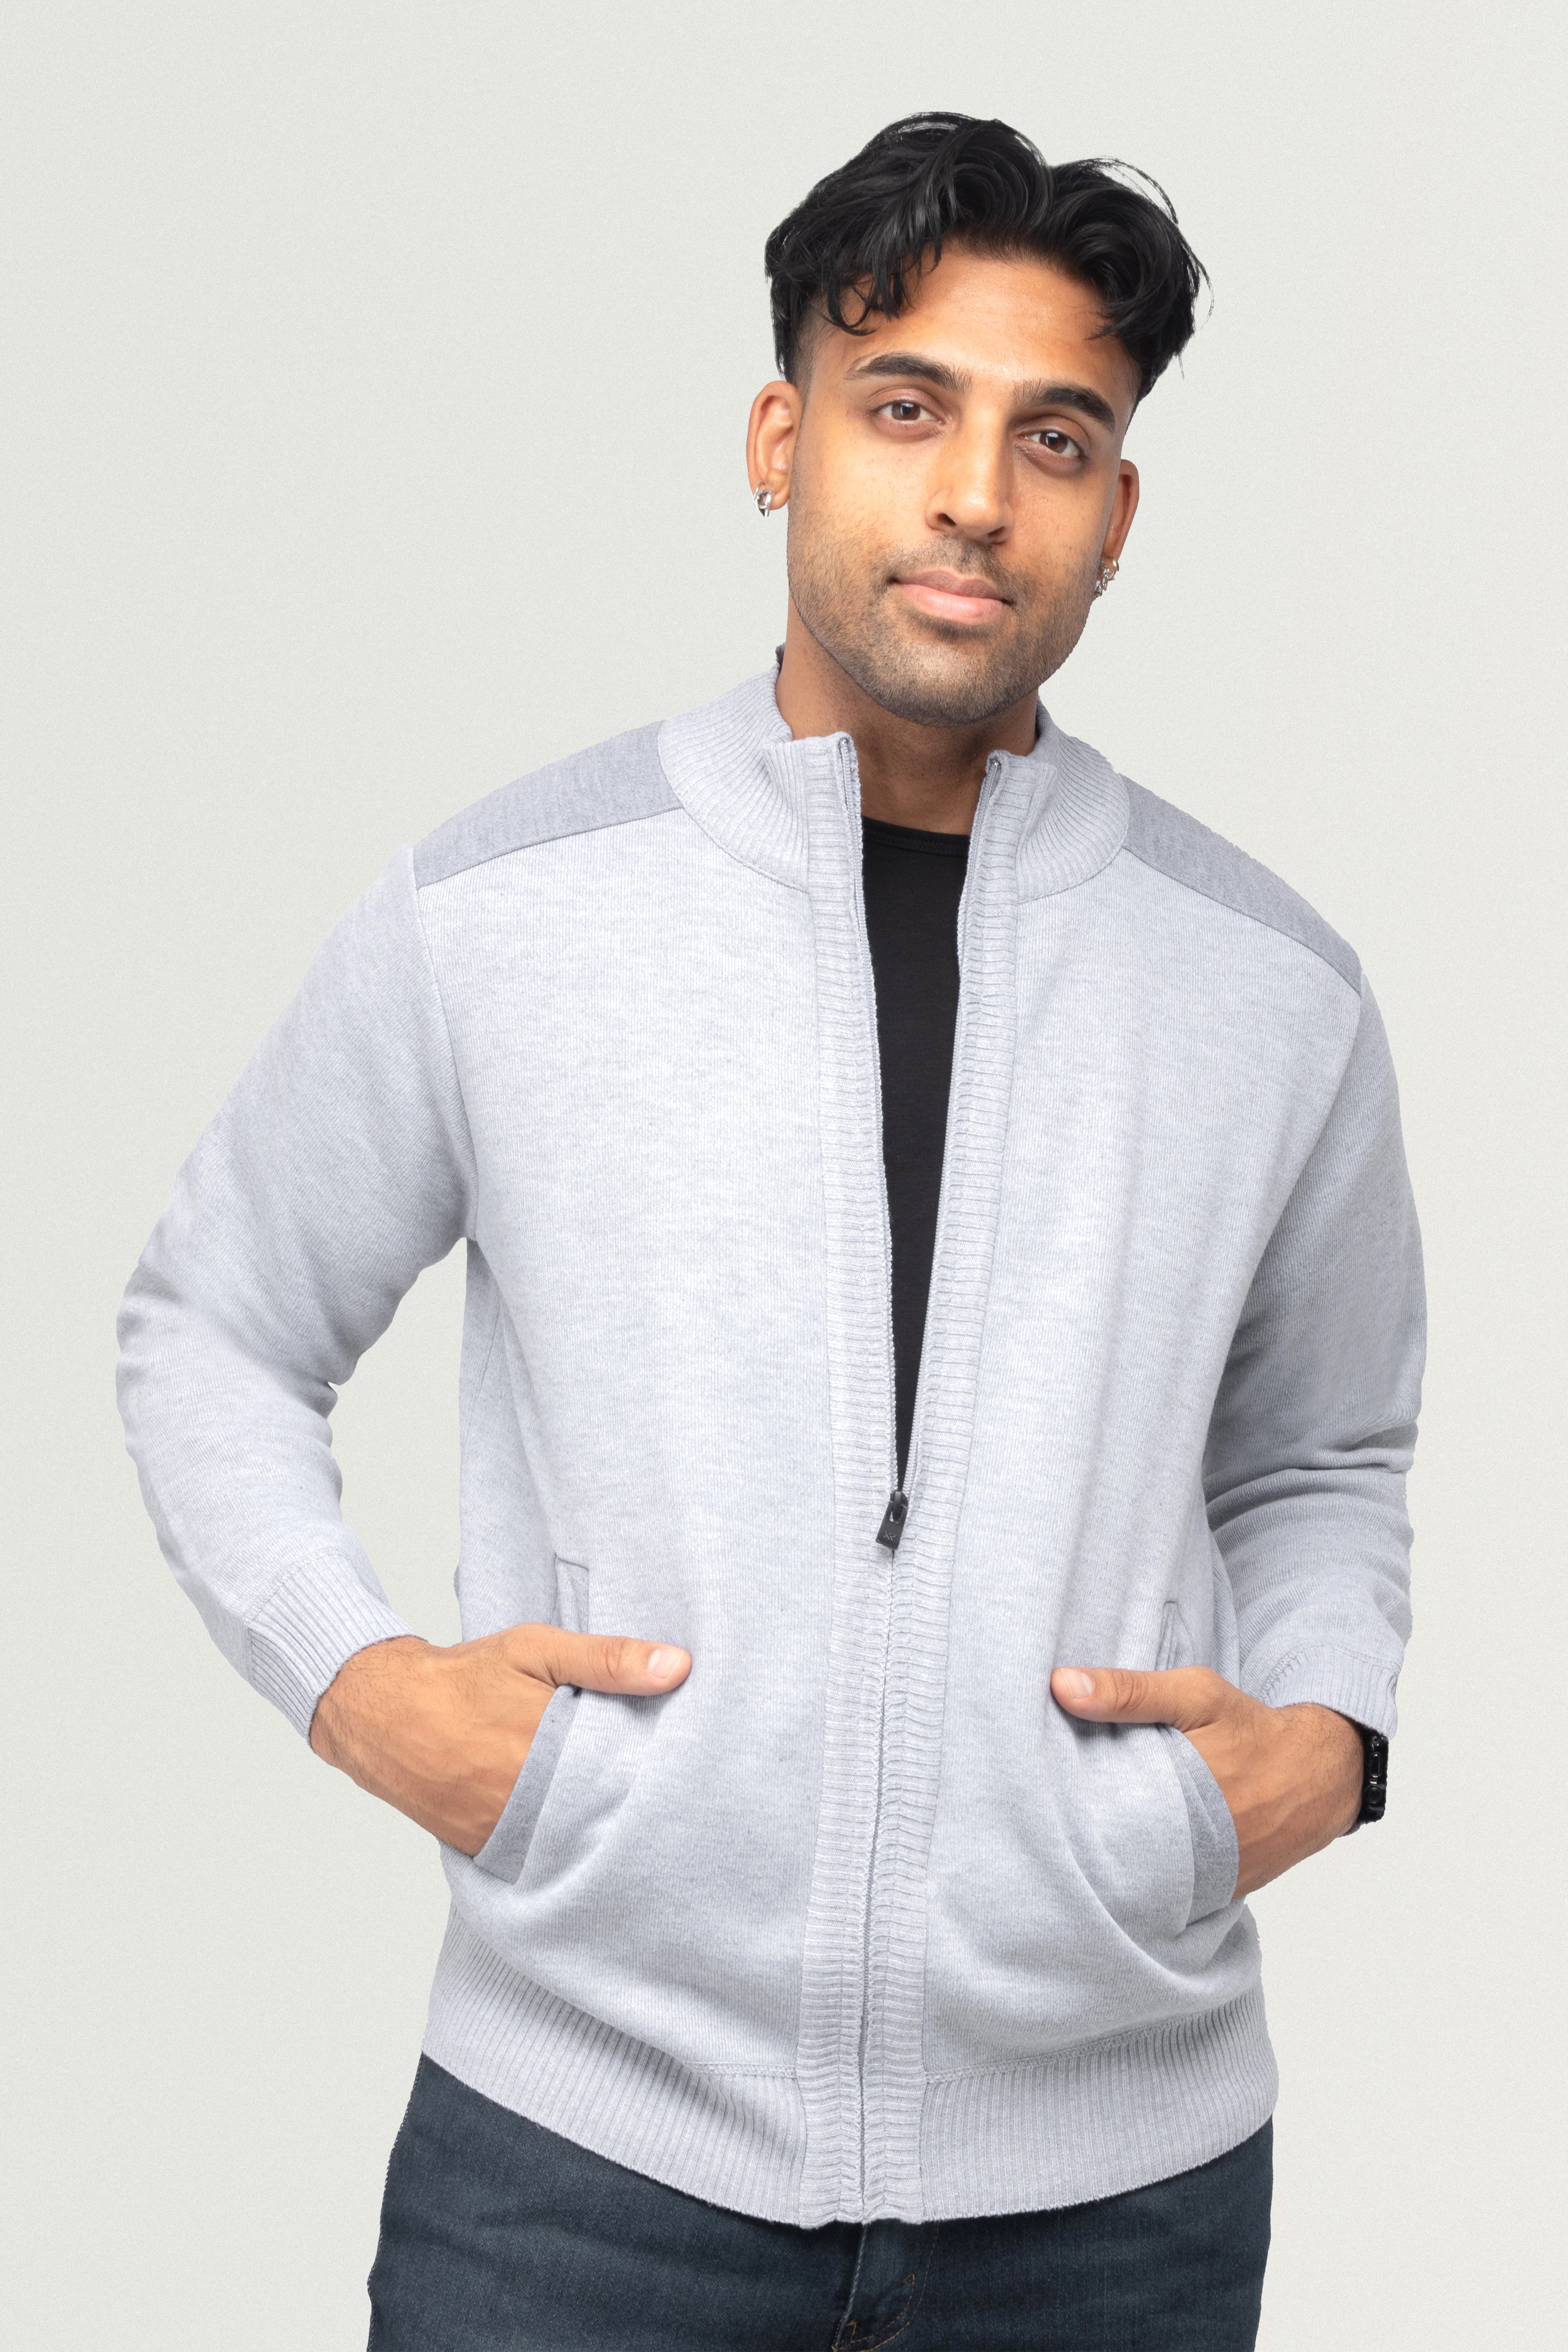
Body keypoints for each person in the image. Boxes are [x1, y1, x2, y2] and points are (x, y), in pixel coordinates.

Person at [117, 113, 1423, 2351]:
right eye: (906, 406)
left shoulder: (1267, 988)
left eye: (1056, 438)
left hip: (1120, 2195)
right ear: (779, 436)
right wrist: (365, 1686)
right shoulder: (506, 910)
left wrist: (1326, 1733)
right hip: (579, 2162)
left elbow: (1322, 1449)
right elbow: (214, 1324)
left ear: (1118, 514)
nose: (975, 494)